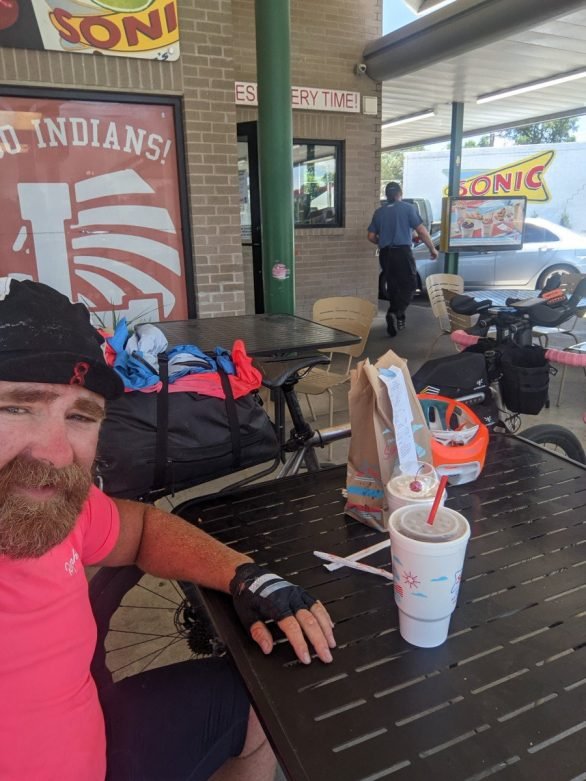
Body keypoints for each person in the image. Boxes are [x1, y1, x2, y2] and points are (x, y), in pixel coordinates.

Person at [0, 279, 336, 781]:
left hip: (94, 732)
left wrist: (244, 575)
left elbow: (138, 529)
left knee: (261, 698)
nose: (56, 452)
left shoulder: (54, 504)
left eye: (80, 416)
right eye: (16, 406)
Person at [368, 182, 438, 336]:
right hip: (402, 253)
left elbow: (371, 236)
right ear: (400, 193)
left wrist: (383, 242)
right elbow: (421, 230)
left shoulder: (379, 212)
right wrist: (432, 248)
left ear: (387, 195)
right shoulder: (408, 208)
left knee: (393, 287)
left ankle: (399, 318)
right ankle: (395, 312)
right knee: (410, 285)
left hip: (385, 254)